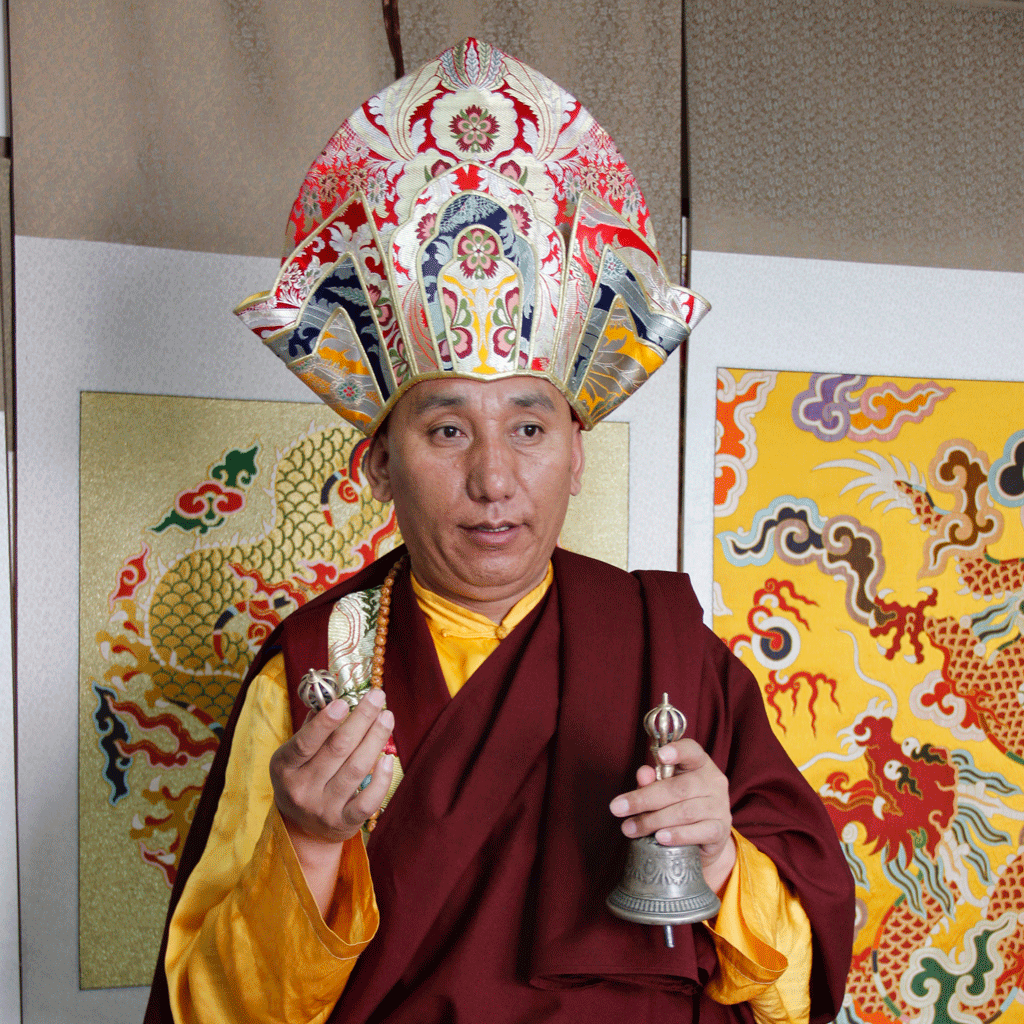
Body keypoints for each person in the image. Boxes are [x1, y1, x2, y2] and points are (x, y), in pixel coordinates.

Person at [144, 39, 854, 1024]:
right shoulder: (313, 672)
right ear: (378, 464)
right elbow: (211, 1010)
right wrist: (306, 840)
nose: (492, 478)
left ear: (576, 453)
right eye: (446, 431)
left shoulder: (667, 652)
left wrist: (723, 856)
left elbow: (793, 990)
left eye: (528, 427)